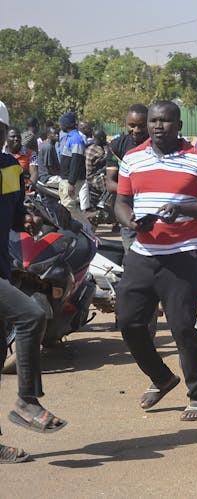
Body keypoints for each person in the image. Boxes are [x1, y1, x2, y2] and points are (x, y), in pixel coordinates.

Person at [115, 100, 197, 423]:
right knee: (129, 322)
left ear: (178, 125)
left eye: (164, 121)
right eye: (153, 121)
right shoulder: (132, 159)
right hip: (143, 253)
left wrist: (184, 209)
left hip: (182, 256)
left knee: (182, 329)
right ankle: (161, 377)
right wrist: (130, 222)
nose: (157, 126)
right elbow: (121, 202)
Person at [0, 100, 67, 464]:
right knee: (31, 316)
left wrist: (26, 219)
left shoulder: (10, 167)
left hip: (2, 268)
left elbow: (11, 215)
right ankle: (27, 400)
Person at [106, 104, 149, 251]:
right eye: (132, 125)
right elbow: (110, 184)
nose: (136, 130)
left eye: (141, 126)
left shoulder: (158, 144)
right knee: (132, 260)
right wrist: (139, 191)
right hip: (130, 216)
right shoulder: (117, 146)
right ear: (126, 124)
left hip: (155, 215)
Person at [57, 112, 91, 229]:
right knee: (65, 206)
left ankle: (87, 227)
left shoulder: (76, 139)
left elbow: (76, 162)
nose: (60, 126)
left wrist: (71, 182)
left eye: (61, 123)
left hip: (71, 180)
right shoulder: (70, 137)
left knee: (68, 206)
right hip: (66, 179)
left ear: (66, 125)